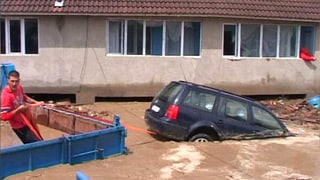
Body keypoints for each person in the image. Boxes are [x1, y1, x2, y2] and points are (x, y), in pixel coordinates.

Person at [1, 70, 44, 144]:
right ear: (8, 80)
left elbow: (24, 97)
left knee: (39, 140)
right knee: (36, 144)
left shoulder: (19, 88)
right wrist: (18, 110)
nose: (14, 84)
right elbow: (3, 117)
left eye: (16, 81)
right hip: (19, 127)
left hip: (27, 120)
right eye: (12, 81)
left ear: (19, 80)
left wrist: (37, 102)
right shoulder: (6, 96)